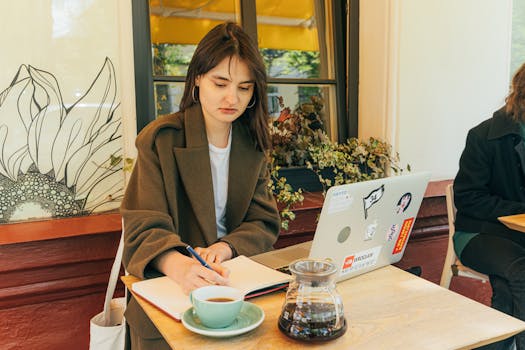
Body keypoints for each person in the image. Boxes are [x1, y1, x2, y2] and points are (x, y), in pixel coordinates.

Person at [120, 22, 280, 349]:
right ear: (197, 79)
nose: (231, 98)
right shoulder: (161, 140)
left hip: (237, 291)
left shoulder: (251, 143)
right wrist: (180, 266)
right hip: (172, 296)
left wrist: (226, 247)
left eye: (245, 88)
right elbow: (143, 224)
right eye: (220, 83)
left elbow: (263, 221)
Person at [454, 61, 525, 350]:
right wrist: (519, 209)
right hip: (478, 234)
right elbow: (468, 197)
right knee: (521, 273)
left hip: (517, 236)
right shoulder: (483, 136)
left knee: (507, 292)